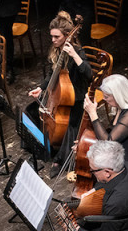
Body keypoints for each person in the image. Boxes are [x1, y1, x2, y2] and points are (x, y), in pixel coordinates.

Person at [27, 11, 92, 176]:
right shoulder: (55, 50)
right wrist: (41, 88)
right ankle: (40, 147)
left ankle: (58, 160)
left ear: (66, 36)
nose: (53, 40)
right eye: (52, 36)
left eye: (56, 37)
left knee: (69, 126)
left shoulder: (77, 51)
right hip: (58, 96)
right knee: (31, 110)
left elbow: (89, 74)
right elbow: (51, 74)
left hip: (75, 98)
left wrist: (74, 56)